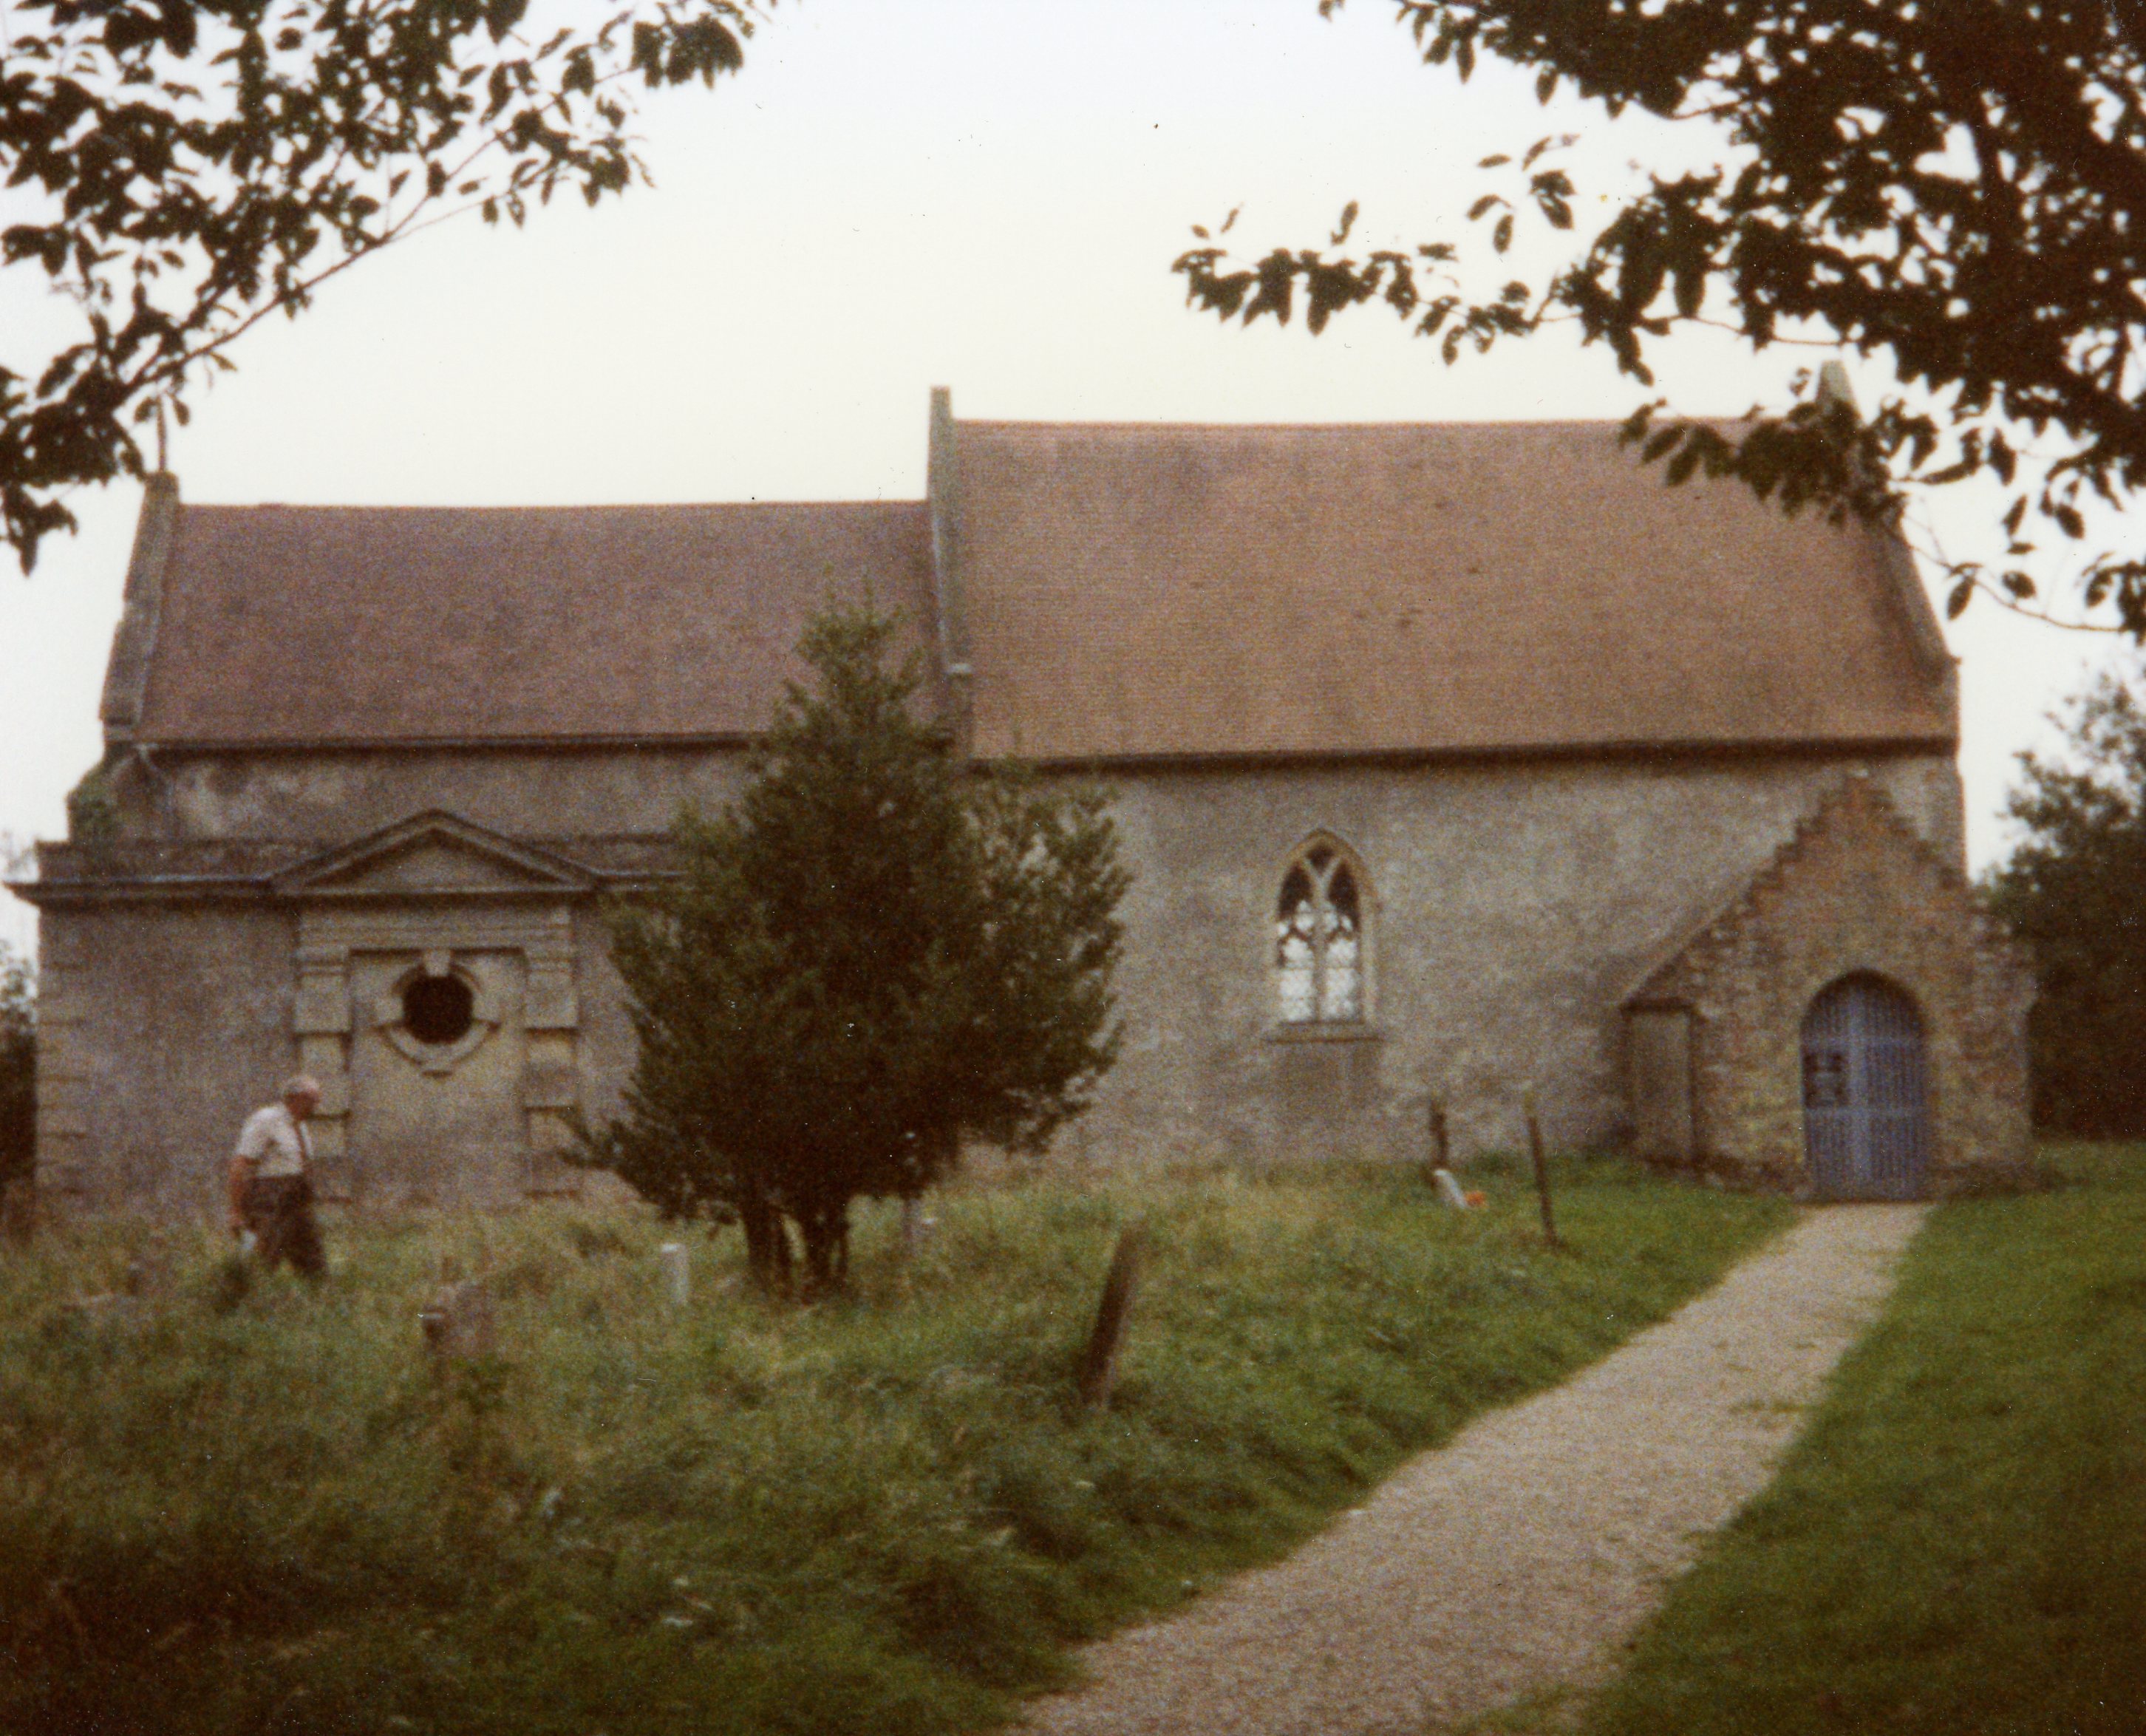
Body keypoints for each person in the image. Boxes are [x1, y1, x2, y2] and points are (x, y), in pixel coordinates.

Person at [228, 1074, 327, 1279]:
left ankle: (318, 1304)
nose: (316, 1106)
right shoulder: (266, 1120)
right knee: (262, 1262)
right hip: (271, 1203)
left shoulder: (300, 1126)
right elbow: (240, 1165)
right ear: (295, 1098)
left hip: (298, 1202)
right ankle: (242, 1302)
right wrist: (236, 1211)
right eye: (312, 1100)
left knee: (314, 1262)